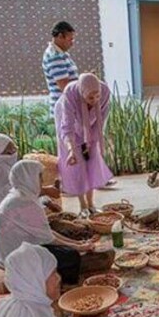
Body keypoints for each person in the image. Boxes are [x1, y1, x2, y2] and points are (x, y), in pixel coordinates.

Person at [0, 159, 93, 284]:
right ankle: (65, 286)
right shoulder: (24, 202)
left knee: (64, 238)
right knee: (70, 256)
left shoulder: (20, 195)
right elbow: (49, 238)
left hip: (17, 248)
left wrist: (77, 242)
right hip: (14, 257)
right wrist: (79, 247)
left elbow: (45, 231)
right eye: (39, 177)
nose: (42, 181)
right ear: (29, 179)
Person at [54, 74, 115, 214]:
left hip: (91, 127)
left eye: (97, 96)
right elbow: (67, 127)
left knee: (91, 161)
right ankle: (83, 206)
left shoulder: (104, 92)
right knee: (78, 165)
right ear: (82, 94)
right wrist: (71, 149)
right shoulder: (70, 94)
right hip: (70, 127)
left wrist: (91, 143)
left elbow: (100, 123)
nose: (94, 101)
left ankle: (91, 204)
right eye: (90, 98)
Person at [42, 21, 79, 117]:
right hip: (64, 108)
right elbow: (65, 87)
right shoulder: (54, 56)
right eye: (70, 40)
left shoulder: (62, 54)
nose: (72, 43)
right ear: (60, 36)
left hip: (68, 106)